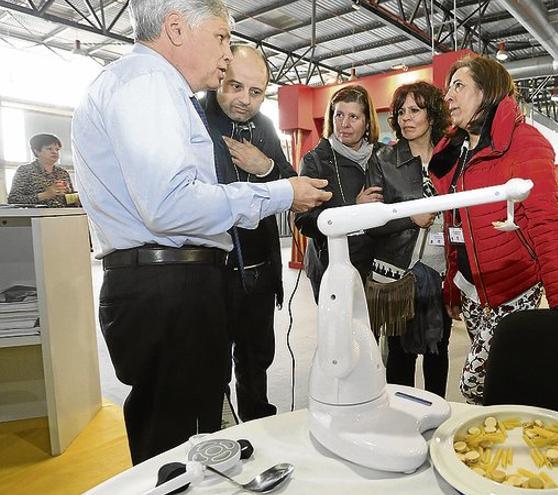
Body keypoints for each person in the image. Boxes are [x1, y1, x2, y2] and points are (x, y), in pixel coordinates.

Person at [71, 0, 330, 464]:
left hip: (174, 285)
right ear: (175, 29)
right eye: (220, 37)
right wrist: (278, 193)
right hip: (168, 286)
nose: (227, 53)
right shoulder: (148, 85)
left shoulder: (156, 89)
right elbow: (170, 205)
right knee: (180, 448)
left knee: (191, 438)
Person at [430, 55, 558, 404]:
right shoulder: (454, 152)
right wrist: (453, 288)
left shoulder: (525, 142)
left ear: (487, 92)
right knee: (500, 378)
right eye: (448, 89)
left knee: (473, 383)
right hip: (473, 289)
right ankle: (504, 441)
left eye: (459, 86)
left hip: (513, 285)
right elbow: (454, 226)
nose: (449, 97)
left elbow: (546, 221)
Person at [202, 44, 296, 421]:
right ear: (218, 77)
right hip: (210, 271)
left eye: (255, 92)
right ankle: (218, 440)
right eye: (235, 87)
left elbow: (291, 183)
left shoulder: (265, 128)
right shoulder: (194, 119)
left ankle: (259, 433)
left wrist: (265, 166)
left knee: (256, 362)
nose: (244, 100)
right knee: (211, 369)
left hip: (259, 271)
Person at [366, 81, 452, 397]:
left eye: (415, 110)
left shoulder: (452, 157)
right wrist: (409, 218)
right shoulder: (383, 159)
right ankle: (400, 422)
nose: (406, 118)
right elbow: (371, 222)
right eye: (401, 111)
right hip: (398, 273)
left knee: (437, 351)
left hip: (443, 273)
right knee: (400, 356)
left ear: (432, 115)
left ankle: (437, 420)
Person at [295, 85, 381, 301]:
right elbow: (304, 220)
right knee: (337, 334)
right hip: (331, 268)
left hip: (375, 267)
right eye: (339, 114)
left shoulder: (380, 157)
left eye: (353, 116)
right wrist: (353, 210)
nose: (344, 124)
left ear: (367, 122)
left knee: (370, 333)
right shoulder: (315, 161)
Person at [8, 134, 78, 206]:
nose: (55, 152)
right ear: (37, 151)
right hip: (36, 215)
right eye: (49, 149)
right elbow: (13, 199)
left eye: (57, 149)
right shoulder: (25, 170)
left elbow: (70, 200)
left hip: (66, 215)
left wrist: (78, 198)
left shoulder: (63, 173)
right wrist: (45, 195)